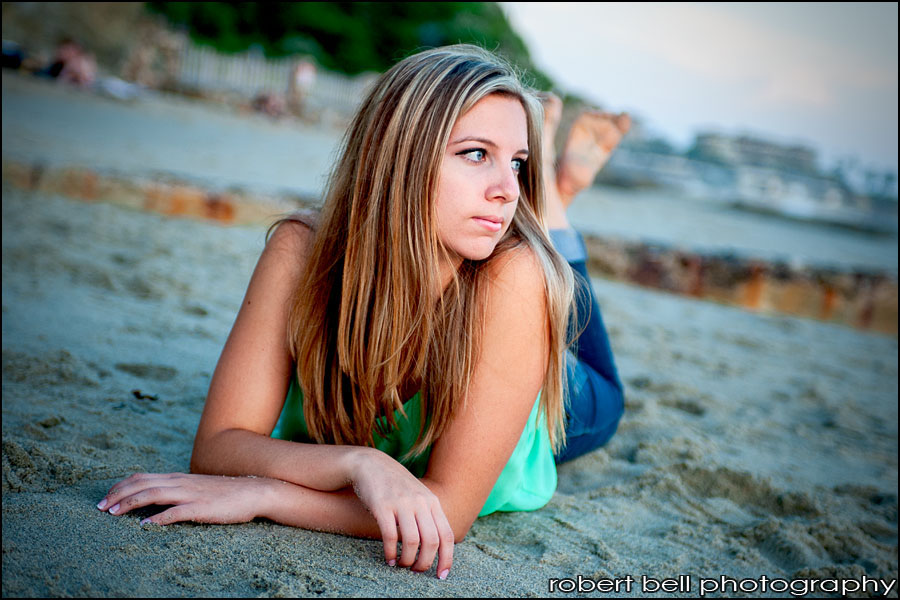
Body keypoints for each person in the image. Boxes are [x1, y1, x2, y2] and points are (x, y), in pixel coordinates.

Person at [96, 45, 628, 580]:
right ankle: (553, 200)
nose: (507, 189)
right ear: (400, 156)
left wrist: (265, 495)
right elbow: (217, 446)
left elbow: (447, 512)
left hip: (545, 394)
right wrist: (361, 461)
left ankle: (556, 205)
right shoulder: (300, 252)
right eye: (475, 154)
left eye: (518, 163)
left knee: (574, 319)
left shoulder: (515, 279)